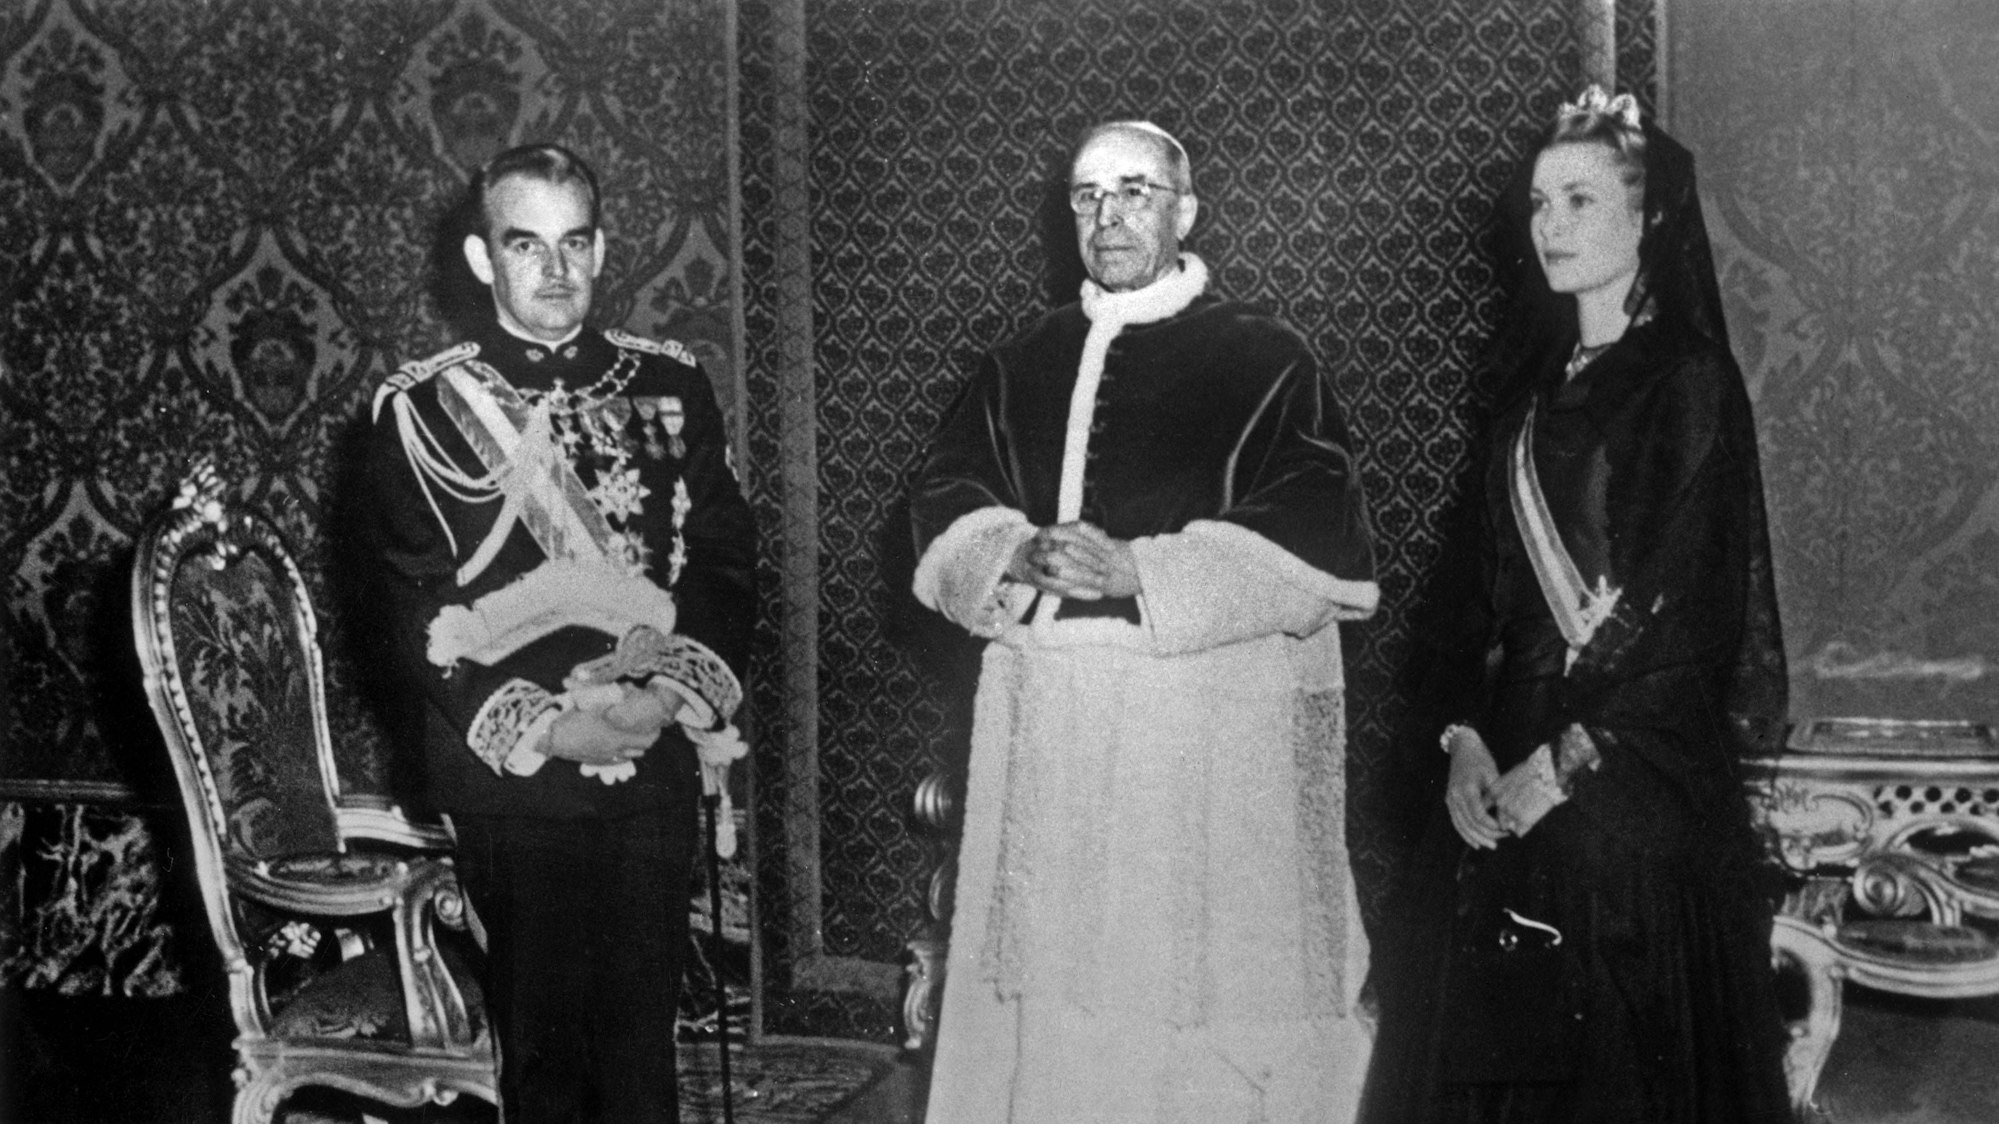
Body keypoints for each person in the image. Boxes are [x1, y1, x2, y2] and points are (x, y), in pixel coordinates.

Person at [910, 120, 1381, 1124]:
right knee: (1054, 1004)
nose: (1108, 215)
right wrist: (1010, 549)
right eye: (1086, 196)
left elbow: (1314, 540)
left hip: (1198, 737)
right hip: (1049, 727)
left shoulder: (1265, 358)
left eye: (1133, 191)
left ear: (1185, 210)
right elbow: (948, 496)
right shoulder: (1021, 360)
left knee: (1190, 996)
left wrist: (1141, 568)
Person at [1358, 88, 1791, 1122]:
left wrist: (1559, 768)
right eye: (1541, 202)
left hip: (1625, 787)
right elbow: (1468, 602)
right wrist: (1463, 739)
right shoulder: (1522, 397)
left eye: (1581, 201)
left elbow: (1688, 610)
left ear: (1646, 221)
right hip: (1498, 775)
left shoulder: (1686, 382)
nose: (1550, 226)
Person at [361, 143, 755, 1123]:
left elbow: (719, 560)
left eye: (573, 243)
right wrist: (559, 726)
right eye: (525, 245)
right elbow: (412, 599)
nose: (555, 272)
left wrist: (660, 692)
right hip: (517, 770)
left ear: (601, 247)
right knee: (545, 1056)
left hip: (653, 746)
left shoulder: (670, 383)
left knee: (638, 1055)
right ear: (483, 258)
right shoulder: (421, 411)